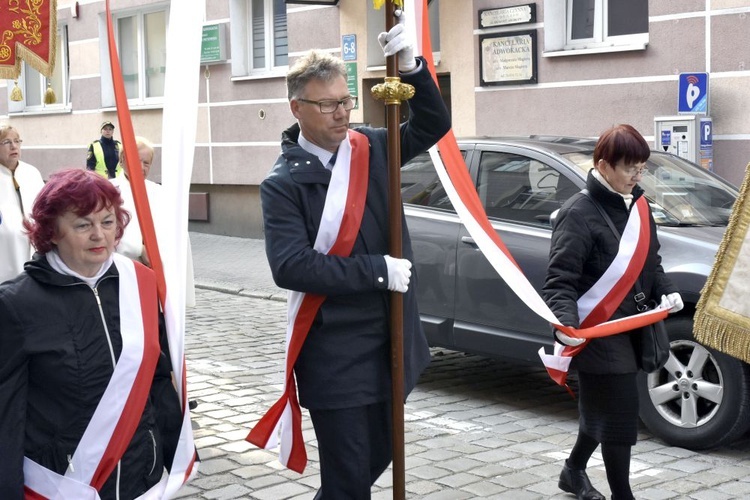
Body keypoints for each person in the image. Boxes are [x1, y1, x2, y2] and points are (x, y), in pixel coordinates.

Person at [256, 13, 451, 499]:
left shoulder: (373, 145)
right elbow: (291, 266)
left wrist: (412, 69)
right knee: (348, 481)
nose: (343, 113)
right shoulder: (282, 184)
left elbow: (433, 123)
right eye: (329, 106)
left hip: (392, 338)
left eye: (346, 101)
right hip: (334, 351)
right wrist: (376, 271)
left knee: (376, 458)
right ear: (296, 108)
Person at [0, 169, 182, 499]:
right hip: (65, 482)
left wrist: (177, 454)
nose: (100, 235)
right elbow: (6, 415)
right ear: (52, 231)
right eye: (83, 224)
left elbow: (156, 379)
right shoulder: (15, 305)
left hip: (143, 474)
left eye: (108, 221)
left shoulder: (140, 283)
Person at [542, 124, 684, 500]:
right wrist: (566, 324)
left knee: (601, 409)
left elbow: (650, 263)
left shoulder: (638, 205)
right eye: (629, 169)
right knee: (620, 415)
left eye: (642, 169)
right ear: (604, 166)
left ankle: (572, 472)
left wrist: (667, 292)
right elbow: (560, 280)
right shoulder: (578, 213)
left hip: (633, 326)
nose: (638, 177)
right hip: (597, 330)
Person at [114, 136, 196, 306]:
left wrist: (160, 253)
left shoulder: (159, 192)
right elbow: (108, 230)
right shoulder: (110, 191)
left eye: (147, 163)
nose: (142, 167)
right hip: (124, 270)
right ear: (122, 160)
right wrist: (139, 248)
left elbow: (171, 230)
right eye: (138, 161)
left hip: (156, 270)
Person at [0, 124, 45, 283]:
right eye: (6, 142)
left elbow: (44, 208)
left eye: (17, 141)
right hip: (5, 256)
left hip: (34, 253)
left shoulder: (31, 173)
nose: (13, 146)